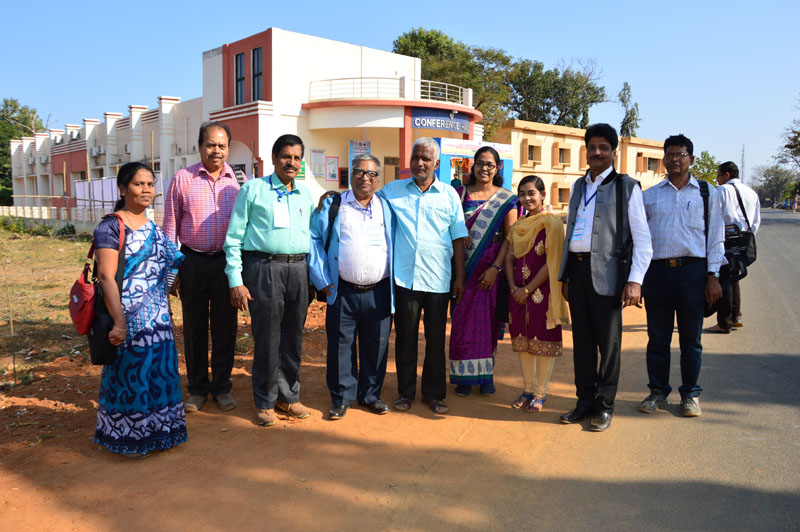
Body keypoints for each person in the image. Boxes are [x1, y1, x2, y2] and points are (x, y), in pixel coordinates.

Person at [558, 123, 652, 432]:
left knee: (608, 346)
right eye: (592, 147)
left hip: (609, 276)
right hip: (577, 272)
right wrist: (565, 275)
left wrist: (635, 281)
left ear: (614, 152)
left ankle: (605, 405)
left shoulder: (627, 187)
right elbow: (572, 230)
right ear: (586, 151)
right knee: (582, 342)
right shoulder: (578, 186)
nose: (597, 152)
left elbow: (643, 239)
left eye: (603, 147)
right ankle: (584, 401)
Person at [94, 162, 186, 457]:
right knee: (129, 378)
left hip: (158, 323)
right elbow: (106, 276)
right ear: (123, 189)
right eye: (138, 184)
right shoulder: (111, 226)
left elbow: (174, 261)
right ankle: (127, 439)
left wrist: (164, 295)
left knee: (157, 376)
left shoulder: (153, 228)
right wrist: (119, 323)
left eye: (150, 184)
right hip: (127, 322)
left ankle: (161, 434)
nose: (146, 190)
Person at [224, 134, 315, 427]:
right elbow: (234, 238)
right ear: (274, 158)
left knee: (293, 338)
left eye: (297, 158)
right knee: (268, 338)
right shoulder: (253, 190)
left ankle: (288, 397)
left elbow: (312, 236)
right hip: (264, 269)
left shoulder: (305, 195)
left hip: (298, 270)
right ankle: (265, 400)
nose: (292, 162)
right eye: (286, 156)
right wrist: (235, 280)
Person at [379, 137, 468, 415]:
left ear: (436, 164)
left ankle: (434, 394)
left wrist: (459, 277)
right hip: (405, 279)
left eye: (425, 159)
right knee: (405, 338)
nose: (419, 163)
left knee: (435, 340)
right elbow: (366, 202)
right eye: (415, 157)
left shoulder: (449, 195)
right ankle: (405, 393)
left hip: (438, 280)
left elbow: (458, 238)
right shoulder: (392, 191)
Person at [640, 134, 725, 418]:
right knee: (657, 338)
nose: (675, 159)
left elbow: (716, 237)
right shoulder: (650, 196)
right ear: (664, 159)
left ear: (691, 159)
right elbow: (640, 240)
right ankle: (657, 391)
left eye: (681, 154)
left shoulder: (707, 193)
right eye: (670, 155)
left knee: (691, 339)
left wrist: (713, 275)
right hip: (657, 274)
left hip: (693, 273)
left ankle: (690, 394)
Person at [162, 121, 240, 413]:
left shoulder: (239, 181)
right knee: (194, 328)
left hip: (225, 264)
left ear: (228, 149)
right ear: (199, 147)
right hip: (192, 262)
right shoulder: (182, 179)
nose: (216, 150)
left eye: (222, 145)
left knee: (225, 327)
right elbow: (170, 229)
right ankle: (197, 389)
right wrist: (172, 272)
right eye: (210, 145)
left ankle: (221, 388)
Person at [309, 154, 394, 419]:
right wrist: (321, 279)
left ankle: (370, 395)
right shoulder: (333, 205)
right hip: (342, 290)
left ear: (378, 178)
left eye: (371, 173)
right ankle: (341, 398)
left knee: (376, 346)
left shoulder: (387, 207)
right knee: (340, 347)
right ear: (350, 175)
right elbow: (313, 239)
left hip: (379, 291)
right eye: (359, 172)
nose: (364, 178)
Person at [449, 146, 518, 397]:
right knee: (462, 322)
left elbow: (510, 238)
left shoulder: (507, 199)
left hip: (490, 271)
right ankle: (464, 378)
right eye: (480, 163)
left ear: (498, 167)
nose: (484, 168)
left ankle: (486, 375)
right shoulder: (458, 194)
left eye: (490, 164)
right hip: (463, 267)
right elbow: (451, 227)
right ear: (473, 165)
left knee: (487, 323)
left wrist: (495, 268)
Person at [504, 175, 568, 412]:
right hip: (517, 294)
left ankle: (540, 393)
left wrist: (527, 290)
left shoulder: (551, 223)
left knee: (542, 342)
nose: (527, 198)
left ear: (542, 195)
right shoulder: (518, 226)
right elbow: (509, 257)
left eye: (531, 193)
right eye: (522, 194)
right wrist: (513, 288)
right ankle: (527, 389)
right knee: (523, 342)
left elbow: (552, 262)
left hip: (543, 293)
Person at [704, 162, 761, 333]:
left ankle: (724, 322)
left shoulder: (722, 191)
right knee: (734, 276)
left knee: (724, 279)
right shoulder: (752, 193)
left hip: (726, 240)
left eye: (718, 176)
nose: (717, 179)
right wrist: (747, 238)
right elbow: (756, 221)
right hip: (744, 240)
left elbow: (715, 217)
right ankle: (736, 316)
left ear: (726, 175)